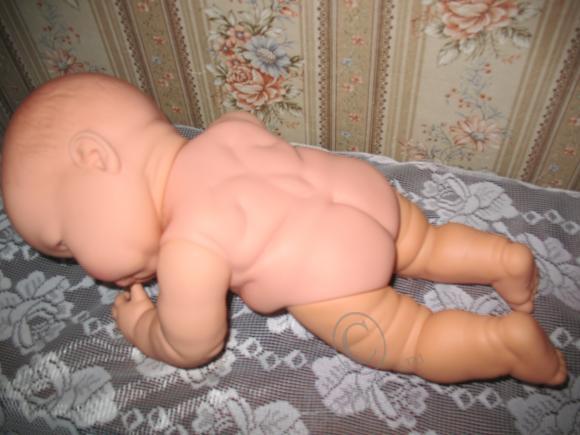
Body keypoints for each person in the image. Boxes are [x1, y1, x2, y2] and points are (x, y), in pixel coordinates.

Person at [0, 73, 566, 385]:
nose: (84, 266)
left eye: (66, 243)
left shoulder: (188, 249)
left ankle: (502, 344)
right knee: (430, 245)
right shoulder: (227, 128)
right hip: (367, 193)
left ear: (95, 159)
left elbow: (193, 344)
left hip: (333, 277)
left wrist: (145, 326)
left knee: (412, 340)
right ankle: (502, 260)